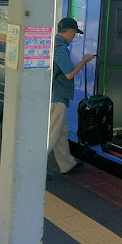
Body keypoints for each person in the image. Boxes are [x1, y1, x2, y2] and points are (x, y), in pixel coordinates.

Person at [49, 17, 95, 176]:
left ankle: (66, 164)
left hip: (57, 96)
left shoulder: (53, 43)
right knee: (51, 135)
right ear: (70, 31)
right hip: (57, 97)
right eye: (74, 34)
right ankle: (35, 169)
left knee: (61, 133)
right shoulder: (61, 48)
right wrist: (84, 61)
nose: (74, 37)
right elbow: (69, 74)